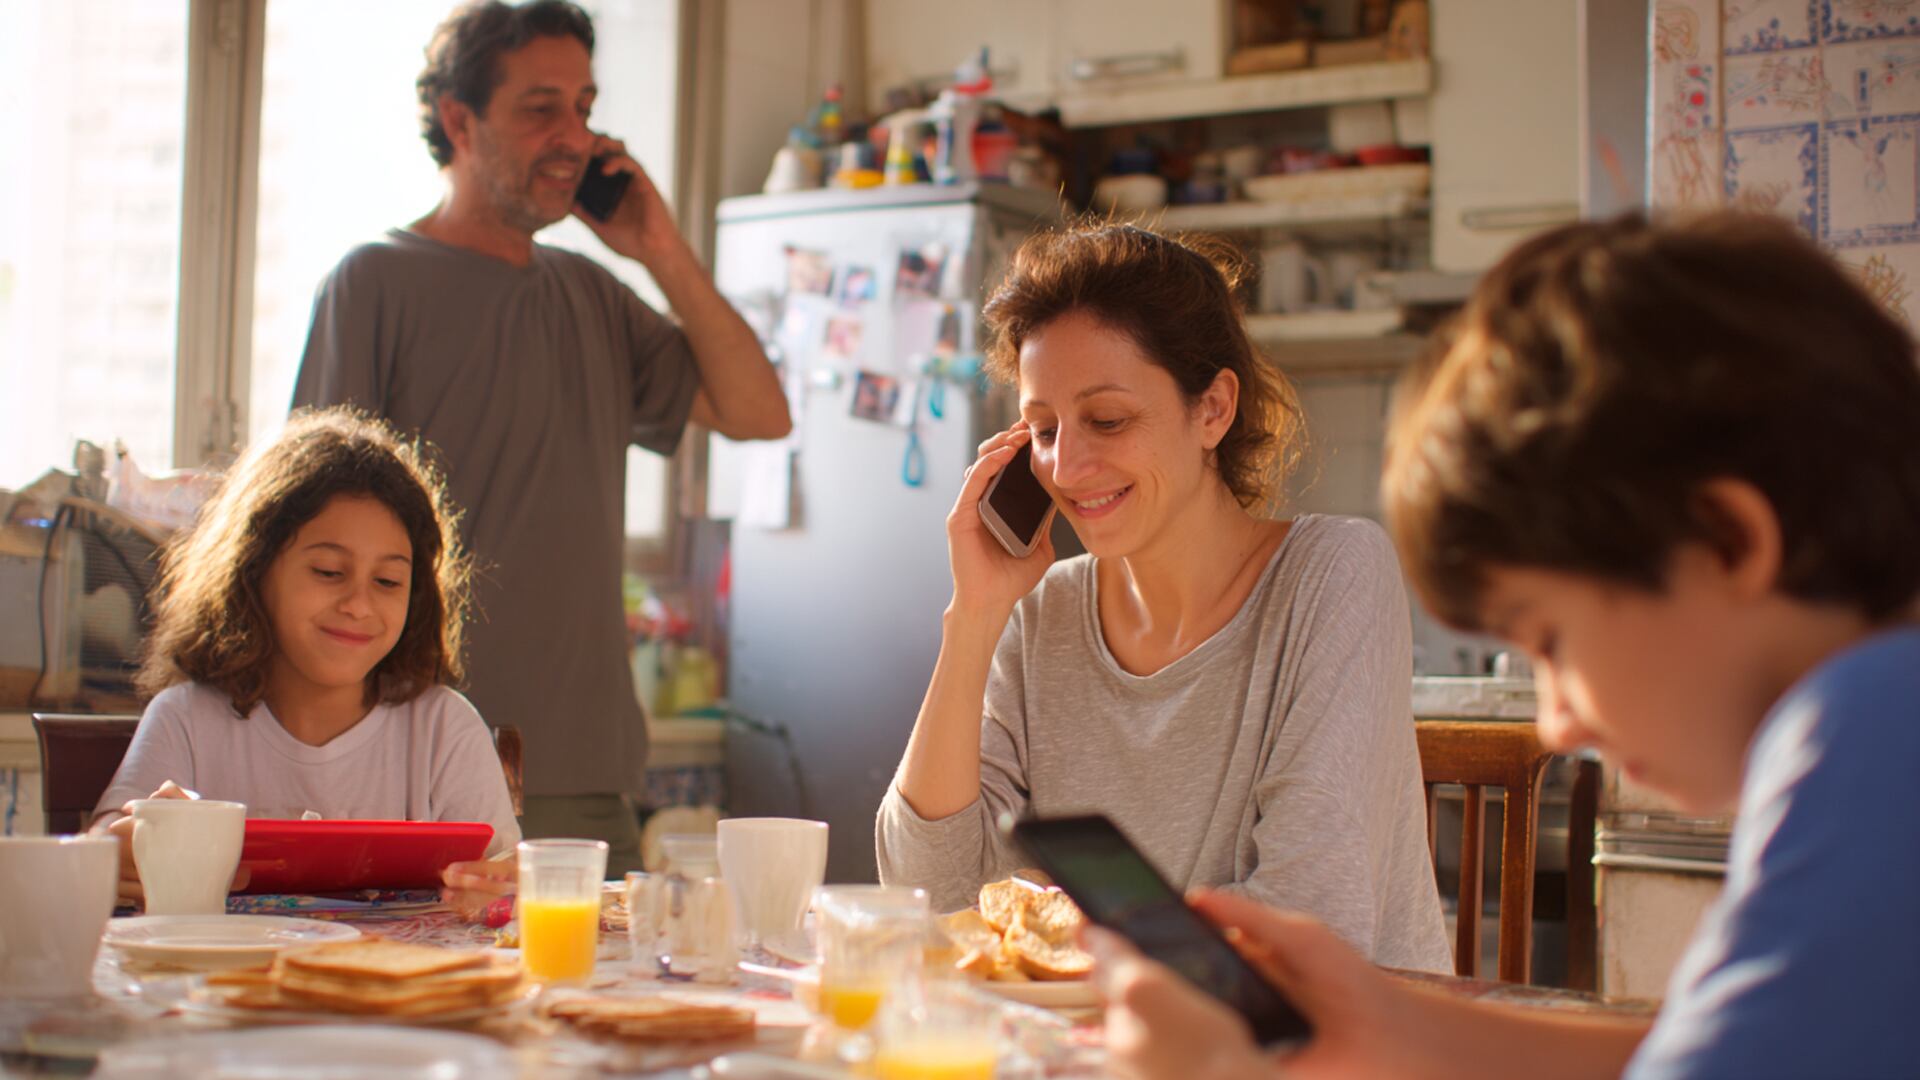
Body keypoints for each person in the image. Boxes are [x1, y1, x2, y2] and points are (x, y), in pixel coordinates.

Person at [1088, 211, 1920, 1080]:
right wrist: (1395, 1027)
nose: (1556, 725)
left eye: (1551, 640)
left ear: (1726, 542)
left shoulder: (1868, 732)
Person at [291, 1, 790, 875]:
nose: (576, 136)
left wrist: (661, 250)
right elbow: (308, 535)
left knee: (605, 1009)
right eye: (540, 108)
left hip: (589, 767)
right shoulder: (373, 281)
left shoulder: (595, 297)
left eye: (585, 109)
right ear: (459, 120)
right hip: (416, 760)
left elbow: (760, 413)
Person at [874, 223, 1452, 973]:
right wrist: (974, 617)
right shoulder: (1040, 612)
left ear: (1212, 409)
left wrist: (1057, 940)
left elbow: (1308, 923)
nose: (1067, 466)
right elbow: (931, 897)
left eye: (1107, 420)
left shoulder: (1335, 574)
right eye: (1043, 429)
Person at [92, 409, 519, 907]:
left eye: (387, 582)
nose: (359, 605)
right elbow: (106, 852)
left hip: (401, 983)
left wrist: (501, 888)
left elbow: (506, 887)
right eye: (328, 571)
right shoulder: (185, 719)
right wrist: (112, 855)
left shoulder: (443, 729)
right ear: (253, 571)